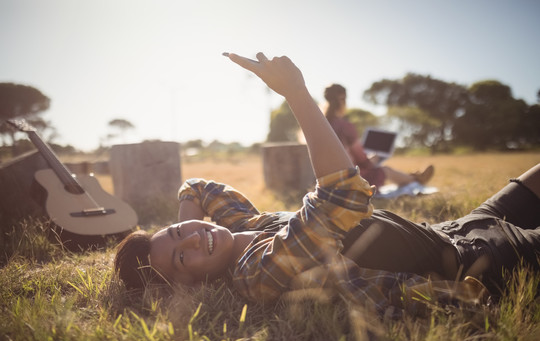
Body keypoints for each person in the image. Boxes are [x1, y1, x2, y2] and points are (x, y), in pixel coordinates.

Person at [115, 52, 540, 317]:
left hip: (453, 230)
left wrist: (183, 230)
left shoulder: (242, 227)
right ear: (191, 284)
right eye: (182, 260)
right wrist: (296, 94)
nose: (193, 240)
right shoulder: (255, 273)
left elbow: (197, 187)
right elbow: (341, 198)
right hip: (479, 261)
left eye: (177, 235)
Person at [323, 83, 434, 188]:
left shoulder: (321, 124)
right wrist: (373, 159)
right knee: (384, 170)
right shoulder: (344, 126)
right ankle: (416, 180)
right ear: (342, 100)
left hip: (327, 180)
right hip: (350, 181)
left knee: (381, 169)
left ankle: (414, 177)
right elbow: (363, 161)